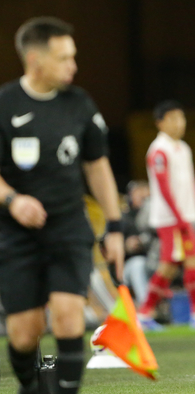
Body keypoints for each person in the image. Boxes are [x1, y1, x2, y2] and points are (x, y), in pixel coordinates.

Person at [0, 17, 124, 394]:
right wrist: (12, 200)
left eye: (73, 56)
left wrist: (115, 226)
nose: (73, 65)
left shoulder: (80, 104)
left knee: (69, 317)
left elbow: (97, 166)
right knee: (25, 333)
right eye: (63, 58)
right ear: (35, 60)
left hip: (69, 226)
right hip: (16, 234)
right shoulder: (5, 105)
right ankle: (30, 388)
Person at [138, 100, 195, 331]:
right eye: (174, 118)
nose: (180, 123)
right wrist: (179, 219)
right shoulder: (159, 150)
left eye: (182, 118)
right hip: (170, 220)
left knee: (170, 265)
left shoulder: (183, 149)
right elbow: (163, 188)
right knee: (190, 261)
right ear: (161, 123)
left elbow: (190, 184)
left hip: (186, 217)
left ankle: (145, 313)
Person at [122, 181, 153, 305]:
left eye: (145, 194)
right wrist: (126, 245)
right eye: (138, 193)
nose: (143, 197)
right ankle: (146, 307)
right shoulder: (123, 217)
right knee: (138, 264)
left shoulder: (153, 218)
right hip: (129, 265)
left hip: (152, 261)